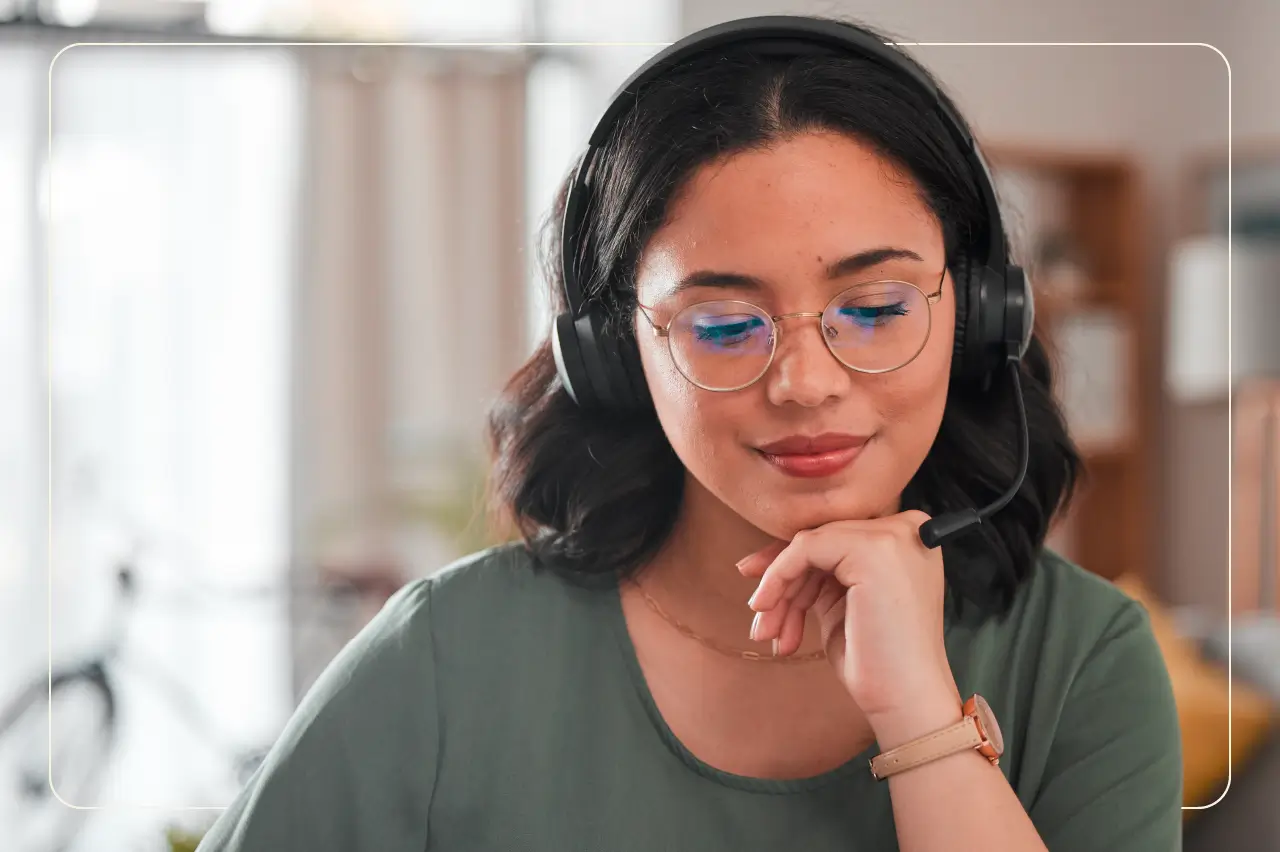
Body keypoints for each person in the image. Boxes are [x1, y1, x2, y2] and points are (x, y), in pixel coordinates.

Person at [196, 15, 1182, 852]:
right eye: (721, 326)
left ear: (976, 316)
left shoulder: (1081, 660)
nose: (805, 384)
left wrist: (919, 714)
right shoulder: (446, 660)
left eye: (875, 309)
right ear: (612, 353)